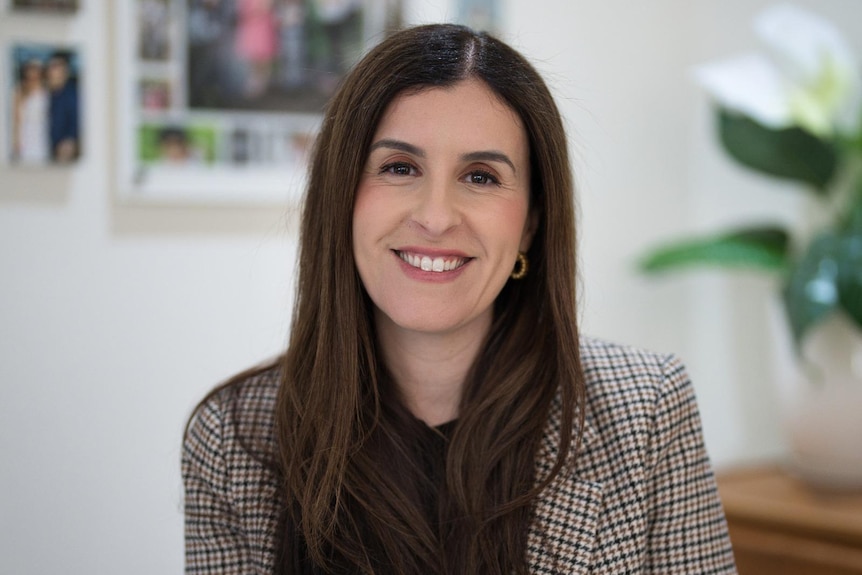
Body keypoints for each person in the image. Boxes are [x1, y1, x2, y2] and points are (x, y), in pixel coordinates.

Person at [182, 24, 737, 574]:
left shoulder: (649, 412)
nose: (436, 217)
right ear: (341, 197)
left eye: (481, 176)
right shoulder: (232, 437)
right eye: (400, 168)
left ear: (529, 225)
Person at [11, 58, 50, 164]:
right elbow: (16, 119)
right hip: (25, 135)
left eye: (36, 70)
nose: (33, 73)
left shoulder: (46, 90)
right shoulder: (19, 91)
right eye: (30, 69)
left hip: (41, 135)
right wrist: (16, 140)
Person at [46, 51, 80, 163]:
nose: (51, 71)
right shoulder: (46, 94)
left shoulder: (72, 95)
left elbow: (75, 123)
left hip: (63, 152)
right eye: (50, 67)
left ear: (65, 71)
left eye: (55, 67)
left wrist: (69, 142)